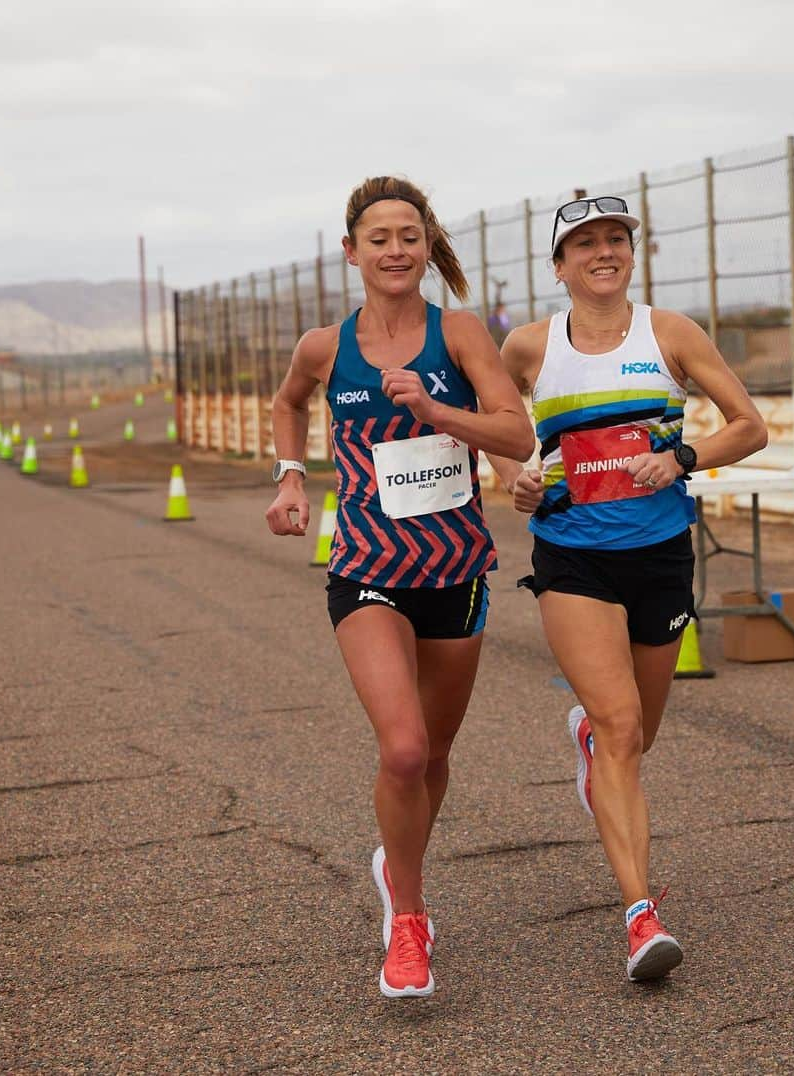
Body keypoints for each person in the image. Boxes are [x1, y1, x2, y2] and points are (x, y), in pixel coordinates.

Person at [265, 176, 535, 999]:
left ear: (426, 247)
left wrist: (438, 411)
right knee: (405, 748)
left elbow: (517, 430)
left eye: (408, 236)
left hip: (455, 571)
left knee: (438, 754)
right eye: (377, 237)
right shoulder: (325, 345)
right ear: (351, 252)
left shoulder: (457, 334)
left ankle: (400, 861)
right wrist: (288, 477)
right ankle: (409, 921)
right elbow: (289, 402)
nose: (394, 249)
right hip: (367, 572)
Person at [487, 195, 768, 982]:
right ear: (559, 266)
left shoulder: (670, 334)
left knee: (636, 735)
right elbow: (496, 427)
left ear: (631, 255)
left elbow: (749, 424)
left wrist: (684, 458)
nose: (603, 252)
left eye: (616, 239)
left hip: (659, 557)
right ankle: (641, 914)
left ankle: (591, 742)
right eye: (586, 244)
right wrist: (516, 479)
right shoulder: (528, 347)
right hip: (571, 558)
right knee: (618, 727)